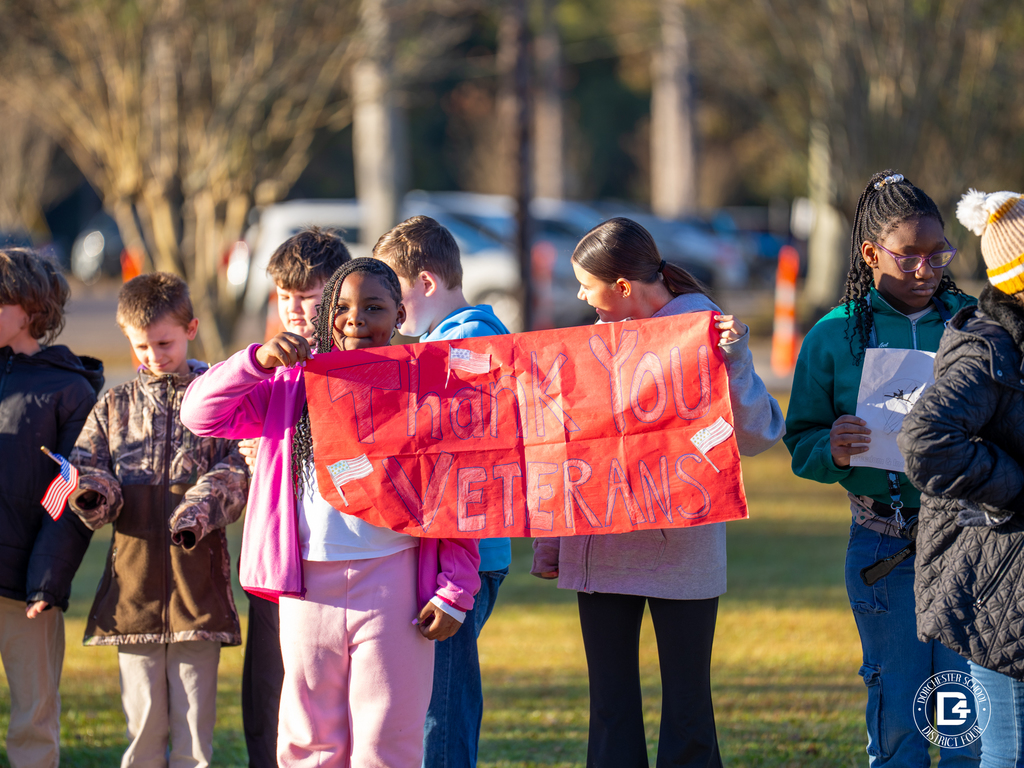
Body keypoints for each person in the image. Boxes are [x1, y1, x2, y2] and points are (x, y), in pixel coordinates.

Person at [179, 257, 481, 768]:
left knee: (389, 739)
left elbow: (455, 493)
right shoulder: (290, 384)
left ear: (400, 315)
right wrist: (254, 361)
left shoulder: (426, 385)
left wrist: (455, 588)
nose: (354, 318)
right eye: (340, 307)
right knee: (309, 742)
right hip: (306, 586)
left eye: (374, 307)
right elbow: (200, 414)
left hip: (396, 581)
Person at [531, 217, 784, 768]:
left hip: (683, 551)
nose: (578, 295)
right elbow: (562, 445)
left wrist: (736, 361)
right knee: (610, 708)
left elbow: (760, 434)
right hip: (600, 547)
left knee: (690, 708)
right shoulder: (588, 343)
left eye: (585, 284)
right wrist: (551, 542)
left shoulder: (710, 332)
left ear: (621, 285)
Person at [784, 170, 979, 767]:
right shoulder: (833, 335)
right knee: (898, 714)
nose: (926, 268)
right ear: (871, 253)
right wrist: (833, 447)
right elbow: (801, 441)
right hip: (883, 547)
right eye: (909, 256)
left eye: (938, 253)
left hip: (968, 544)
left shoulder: (973, 323)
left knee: (965, 715)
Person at [67, 272, 249, 768]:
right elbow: (87, 467)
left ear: (190, 329)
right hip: (135, 590)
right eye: (141, 347)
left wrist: (198, 507)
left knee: (194, 733)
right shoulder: (113, 405)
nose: (153, 356)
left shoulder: (218, 398)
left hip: (198, 590)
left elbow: (237, 469)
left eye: (163, 343)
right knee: (143, 729)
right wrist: (92, 496)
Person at [373, 215, 510, 768]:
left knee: (443, 697)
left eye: (394, 291)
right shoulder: (448, 338)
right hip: (455, 547)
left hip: (467, 552)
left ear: (426, 283)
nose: (392, 307)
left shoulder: (468, 339)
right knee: (434, 690)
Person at [899, 189, 1024, 768]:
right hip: (1002, 585)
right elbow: (925, 443)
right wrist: (1015, 485)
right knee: (1009, 754)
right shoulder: (987, 347)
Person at [237, 226, 350, 768]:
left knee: (348, 712)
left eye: (309, 295)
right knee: (276, 698)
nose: (296, 309)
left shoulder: (371, 362)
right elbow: (201, 411)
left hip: (358, 564)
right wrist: (255, 361)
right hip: (282, 563)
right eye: (285, 296)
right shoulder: (275, 372)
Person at [0, 247, 104, 768]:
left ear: (32, 308)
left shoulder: (69, 390)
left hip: (25, 590)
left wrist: (46, 582)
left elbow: (68, 496)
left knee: (32, 718)